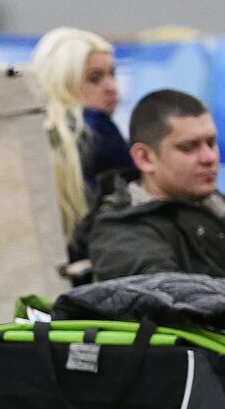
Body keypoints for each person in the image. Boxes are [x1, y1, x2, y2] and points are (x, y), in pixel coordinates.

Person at [87, 90, 225, 280]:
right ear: (144, 158)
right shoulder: (122, 234)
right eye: (188, 147)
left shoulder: (214, 205)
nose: (209, 158)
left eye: (211, 143)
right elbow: (170, 298)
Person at [32, 27, 137, 214]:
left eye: (112, 74)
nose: (111, 87)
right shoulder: (97, 129)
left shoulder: (25, 134)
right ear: (63, 83)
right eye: (94, 79)